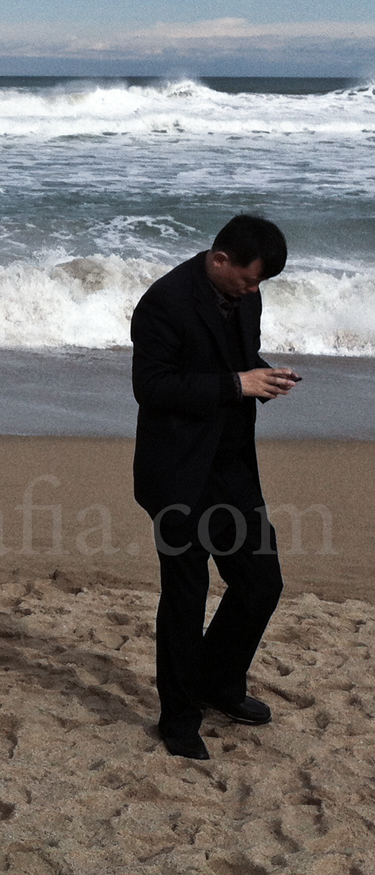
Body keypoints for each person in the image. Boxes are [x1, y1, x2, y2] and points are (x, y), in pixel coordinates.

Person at [131, 214, 297, 760]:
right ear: (219, 259)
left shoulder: (246, 296)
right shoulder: (164, 302)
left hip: (230, 467)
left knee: (261, 582)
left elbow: (237, 363)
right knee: (186, 596)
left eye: (261, 283)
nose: (254, 291)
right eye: (249, 279)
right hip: (176, 471)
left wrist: (262, 377)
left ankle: (218, 683)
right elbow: (152, 388)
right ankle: (178, 718)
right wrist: (237, 384)